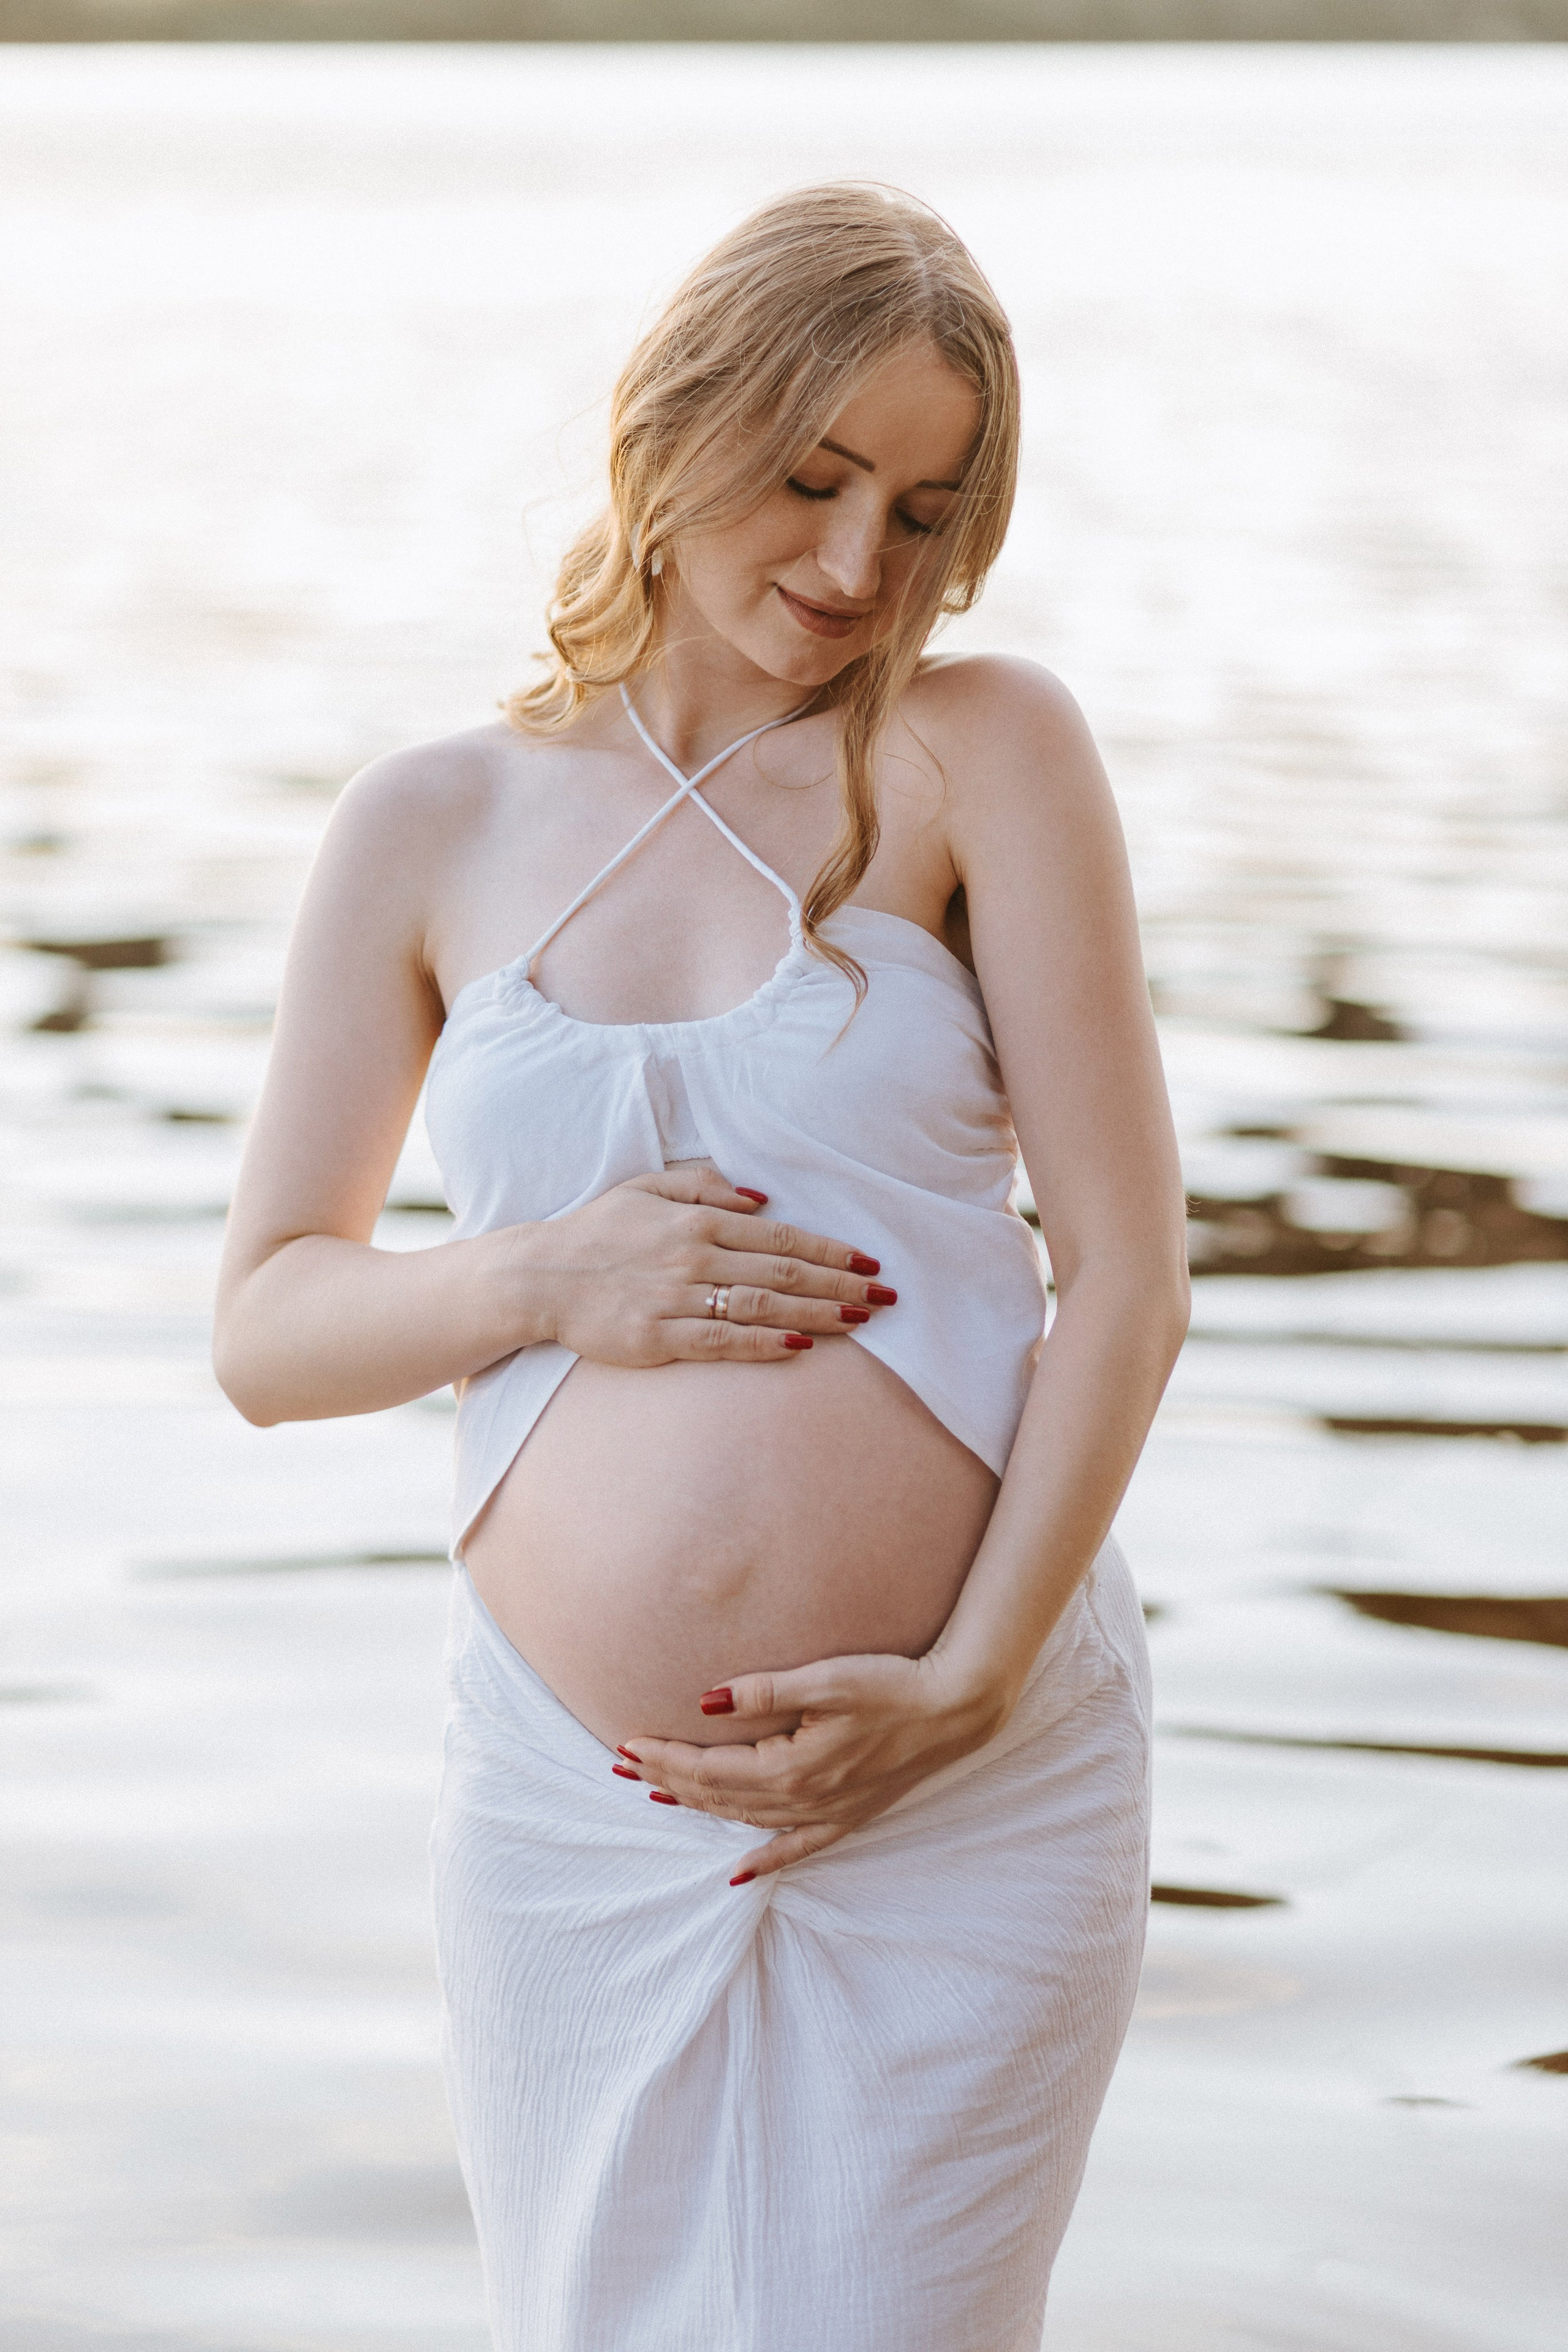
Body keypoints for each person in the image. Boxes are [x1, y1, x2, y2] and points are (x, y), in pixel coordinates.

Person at [214, 181, 1189, 2352]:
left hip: (970, 1766)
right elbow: (269, 1329)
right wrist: (542, 1282)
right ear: (674, 427)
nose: (859, 568)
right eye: (811, 478)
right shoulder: (430, 822)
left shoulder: (982, 753)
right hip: (575, 1807)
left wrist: (971, 1683)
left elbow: (1126, 1277)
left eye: (927, 512)